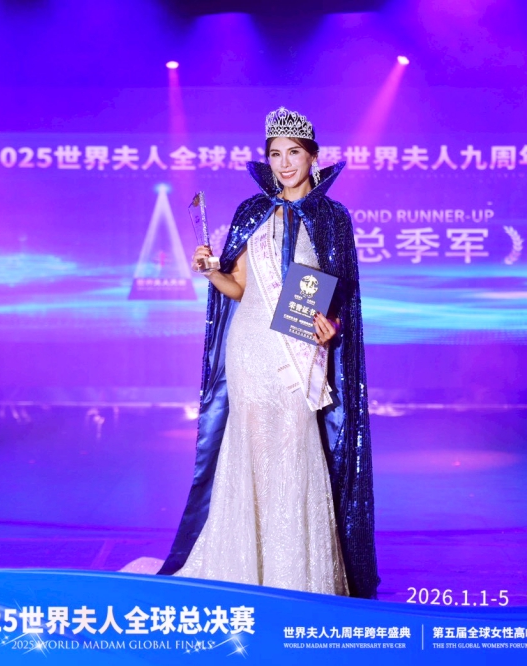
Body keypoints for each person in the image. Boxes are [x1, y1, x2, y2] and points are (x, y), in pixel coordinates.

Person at [157, 107, 379, 599]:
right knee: (251, 452)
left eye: (293, 153)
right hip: (250, 348)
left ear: (313, 157)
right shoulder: (251, 212)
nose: (284, 164)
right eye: (275, 154)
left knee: (296, 451)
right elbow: (238, 288)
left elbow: (342, 300)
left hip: (298, 351)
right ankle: (244, 572)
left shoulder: (332, 219)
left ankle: (296, 576)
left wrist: (333, 326)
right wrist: (211, 272)